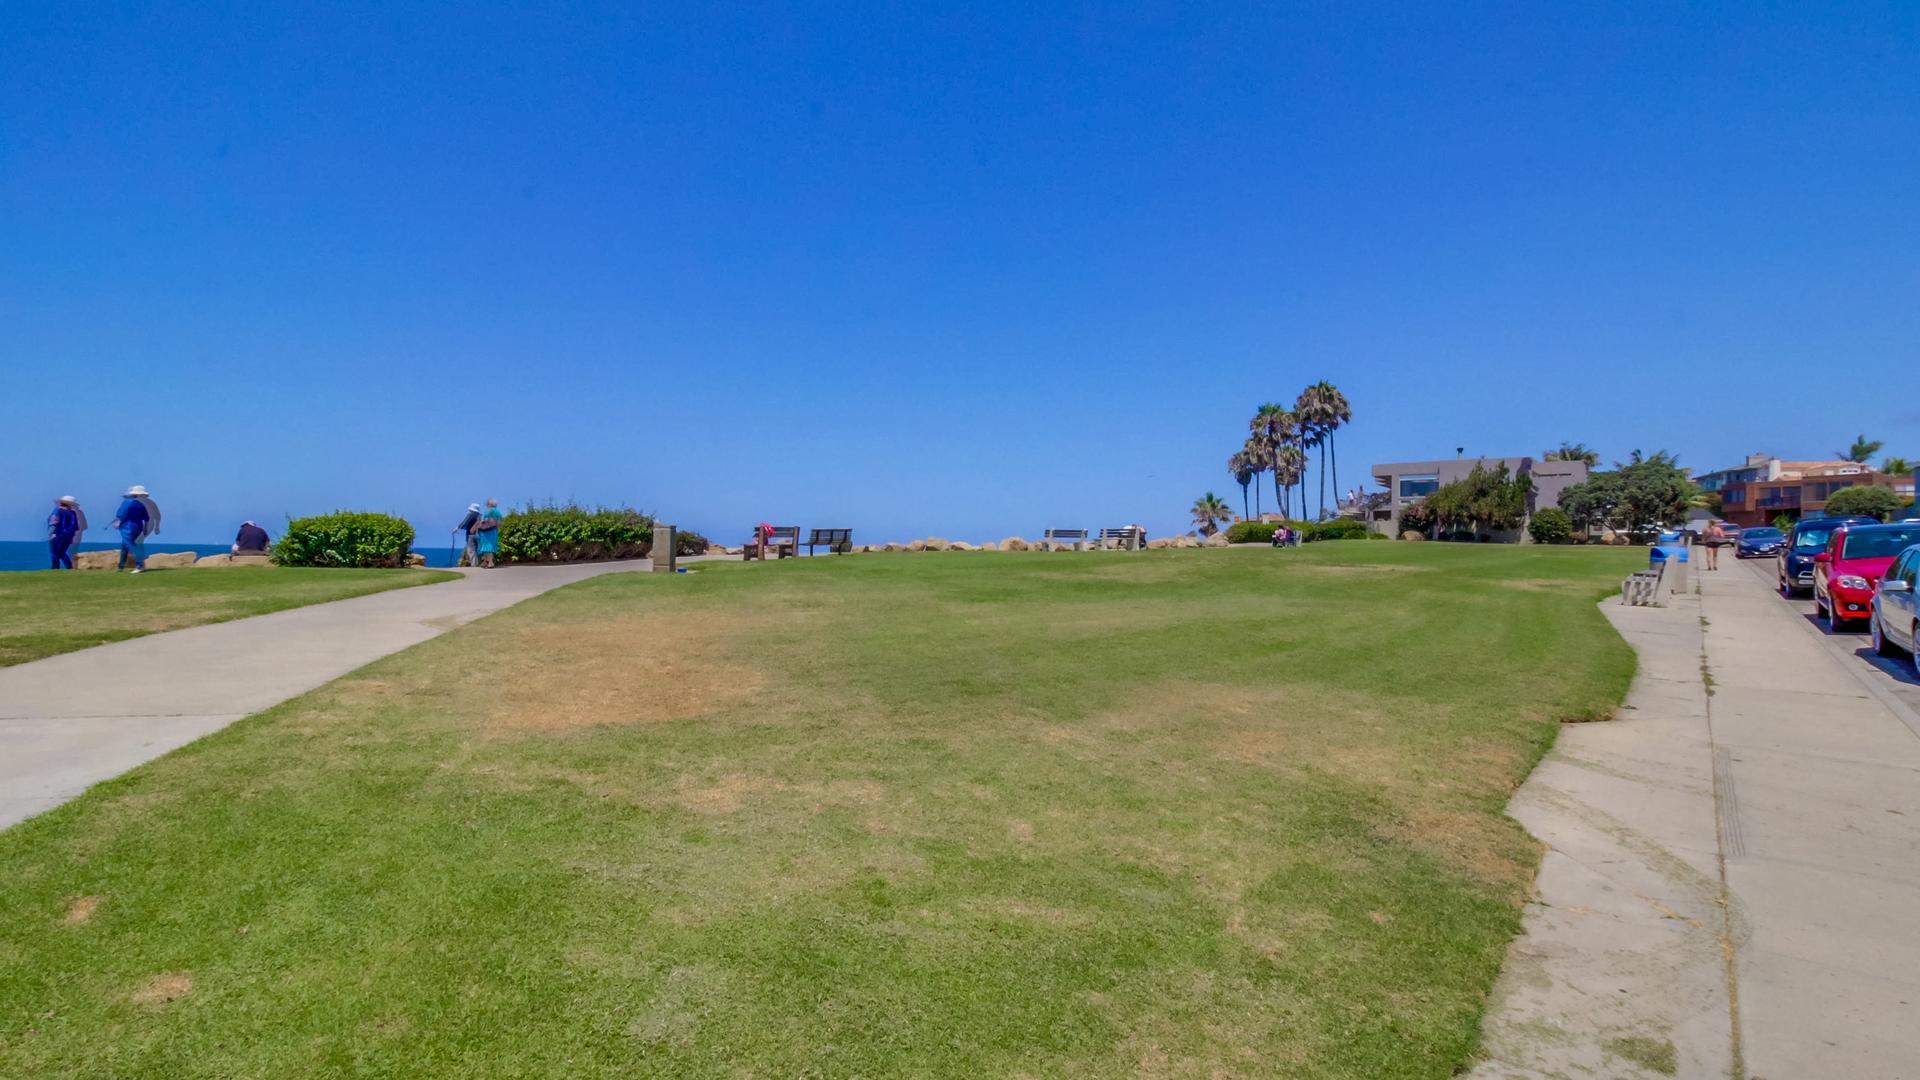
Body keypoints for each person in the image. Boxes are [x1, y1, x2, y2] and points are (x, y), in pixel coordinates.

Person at [110, 485, 154, 573]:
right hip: (138, 527)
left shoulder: (127, 503)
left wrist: (117, 522)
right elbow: (146, 518)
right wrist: (145, 529)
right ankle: (121, 566)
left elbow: (121, 514)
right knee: (124, 546)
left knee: (129, 545)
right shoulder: (141, 505)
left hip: (127, 527)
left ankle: (140, 565)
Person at [47, 496, 82, 569]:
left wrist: (51, 534)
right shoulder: (72, 513)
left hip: (57, 534)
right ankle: (69, 567)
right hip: (68, 536)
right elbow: (75, 527)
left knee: (55, 553)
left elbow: (53, 523)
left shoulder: (57, 511)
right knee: (62, 553)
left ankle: (55, 568)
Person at [473, 498, 503, 568]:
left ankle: (490, 562)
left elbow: (483, 521)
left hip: (485, 532)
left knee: (487, 547)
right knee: (490, 547)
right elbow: (500, 523)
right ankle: (486, 562)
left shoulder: (487, 512)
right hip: (494, 531)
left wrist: (478, 527)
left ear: (489, 504)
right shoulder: (498, 513)